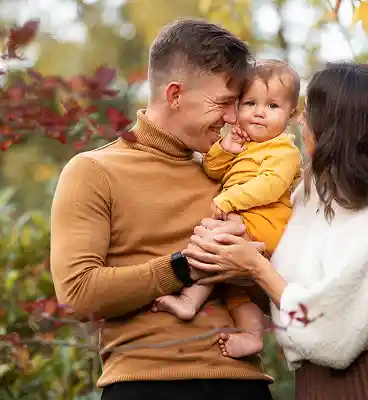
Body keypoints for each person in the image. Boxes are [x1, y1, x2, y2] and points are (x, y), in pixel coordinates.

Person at [182, 62, 368, 399]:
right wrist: (232, 259)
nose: (301, 120)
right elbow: (287, 298)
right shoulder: (307, 199)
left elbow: (331, 335)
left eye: (311, 112)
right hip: (317, 385)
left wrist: (255, 267)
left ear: (338, 128)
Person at [50, 18, 275, 400]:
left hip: (244, 384)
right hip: (146, 385)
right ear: (174, 95)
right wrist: (183, 267)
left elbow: (269, 294)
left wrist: (251, 270)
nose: (233, 118)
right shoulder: (94, 171)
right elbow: (77, 290)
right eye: (223, 102)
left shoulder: (232, 179)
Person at [151, 59, 302, 360]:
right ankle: (251, 335)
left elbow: (271, 185)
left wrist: (230, 200)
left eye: (272, 106)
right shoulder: (242, 145)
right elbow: (212, 169)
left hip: (267, 225)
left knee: (210, 240)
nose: (259, 112)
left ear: (291, 115)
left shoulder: (284, 151)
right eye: (250, 103)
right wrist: (226, 148)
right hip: (244, 224)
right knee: (233, 288)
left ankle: (189, 299)